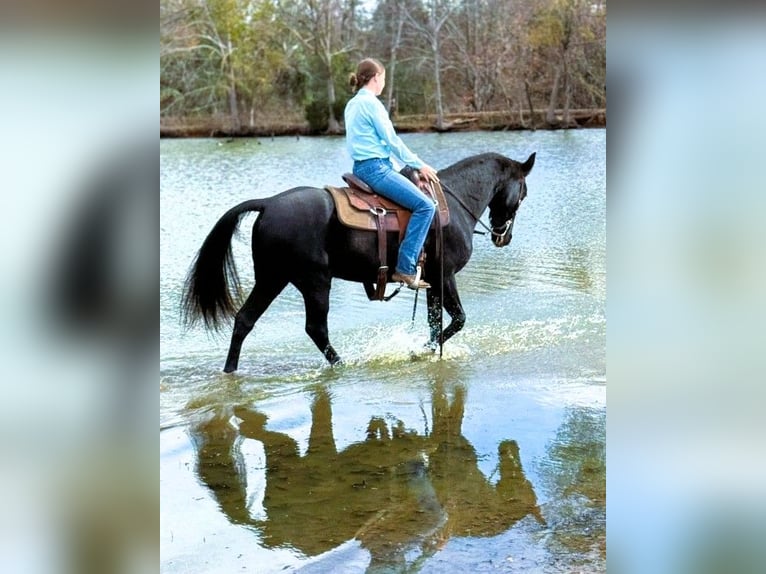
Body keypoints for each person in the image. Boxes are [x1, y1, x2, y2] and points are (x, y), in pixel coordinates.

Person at [344, 58, 439, 290]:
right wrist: (419, 164)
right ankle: (405, 268)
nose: (383, 83)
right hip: (376, 169)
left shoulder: (352, 104)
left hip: (360, 167)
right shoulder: (372, 104)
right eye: (383, 78)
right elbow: (392, 142)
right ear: (376, 78)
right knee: (426, 207)